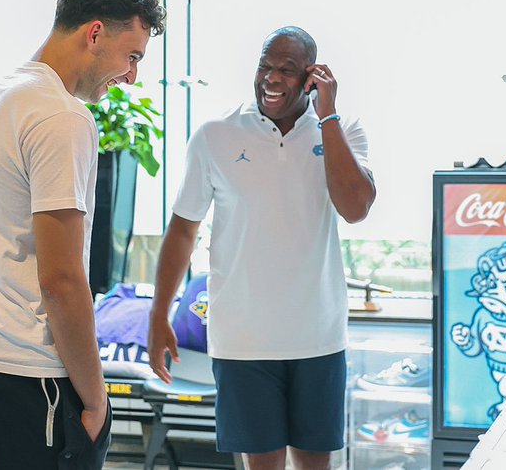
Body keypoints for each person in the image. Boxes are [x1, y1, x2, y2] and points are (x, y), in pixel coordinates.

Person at [0, 0, 166, 469]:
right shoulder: (61, 116)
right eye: (132, 56)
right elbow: (62, 280)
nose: (131, 76)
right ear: (94, 34)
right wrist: (96, 399)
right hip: (26, 368)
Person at [148, 26, 376, 470]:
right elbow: (182, 229)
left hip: (318, 337)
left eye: (287, 70)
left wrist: (327, 116)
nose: (271, 79)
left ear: (311, 77)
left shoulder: (343, 130)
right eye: (264, 66)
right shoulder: (215, 135)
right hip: (243, 341)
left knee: (315, 464)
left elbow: (355, 208)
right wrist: (159, 314)